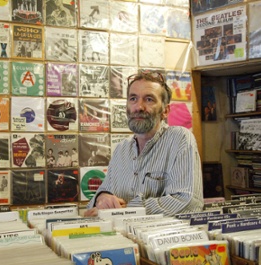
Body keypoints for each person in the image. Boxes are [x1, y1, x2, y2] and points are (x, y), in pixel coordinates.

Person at [84, 70, 204, 217]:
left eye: (149, 99)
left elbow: (189, 202)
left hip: (159, 238)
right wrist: (102, 198)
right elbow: (104, 191)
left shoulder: (180, 138)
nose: (139, 107)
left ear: (165, 111)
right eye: (133, 98)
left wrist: (129, 209)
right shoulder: (121, 149)